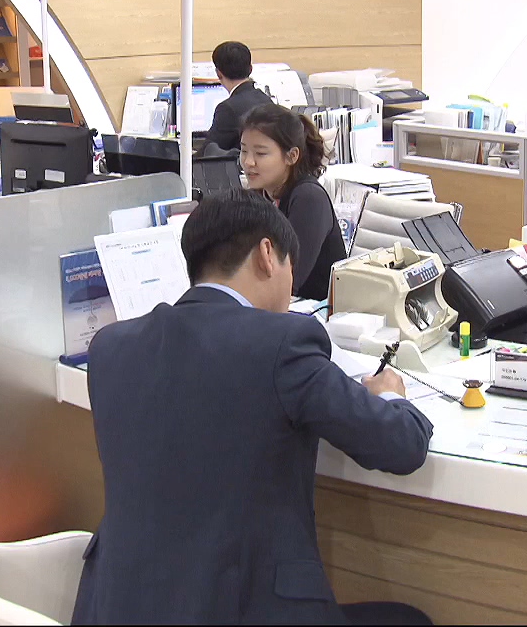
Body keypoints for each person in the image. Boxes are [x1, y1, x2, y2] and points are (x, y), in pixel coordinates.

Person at [72, 189, 433, 625]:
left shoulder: (110, 348)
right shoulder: (282, 342)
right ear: (266, 254)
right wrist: (390, 394)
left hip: (117, 609)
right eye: (291, 267)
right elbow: (401, 445)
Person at [240, 102, 346, 301]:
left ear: (292, 156)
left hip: (316, 311)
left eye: (260, 153)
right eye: (244, 151)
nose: (248, 162)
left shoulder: (309, 198)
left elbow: (287, 281)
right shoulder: (259, 195)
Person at [204, 40, 274, 156]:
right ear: (250, 69)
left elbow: (207, 151)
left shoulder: (227, 108)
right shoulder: (266, 100)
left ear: (218, 73)